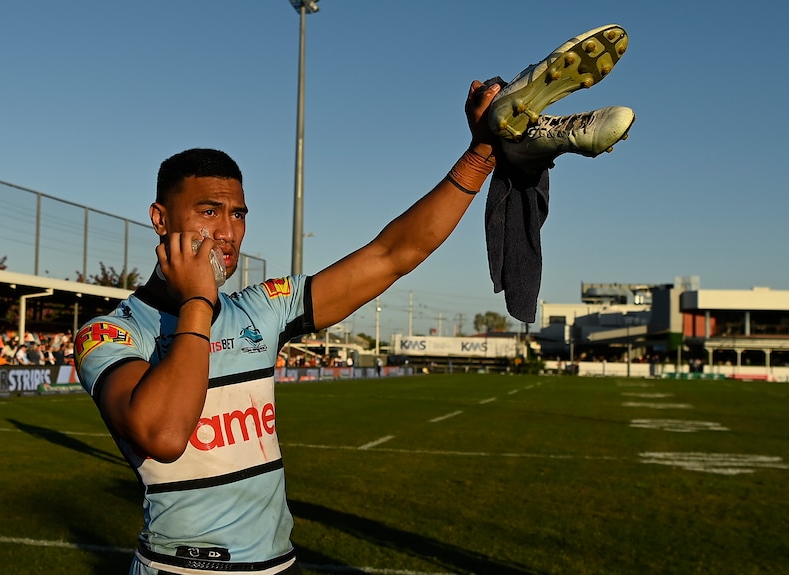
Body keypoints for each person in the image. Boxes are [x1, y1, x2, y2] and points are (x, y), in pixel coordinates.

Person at [74, 24, 633, 575]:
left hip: (277, 566)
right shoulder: (111, 334)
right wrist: (197, 302)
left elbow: (393, 253)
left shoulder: (258, 307)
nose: (228, 231)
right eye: (208, 211)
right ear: (159, 219)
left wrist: (481, 153)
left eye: (238, 213)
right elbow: (164, 436)